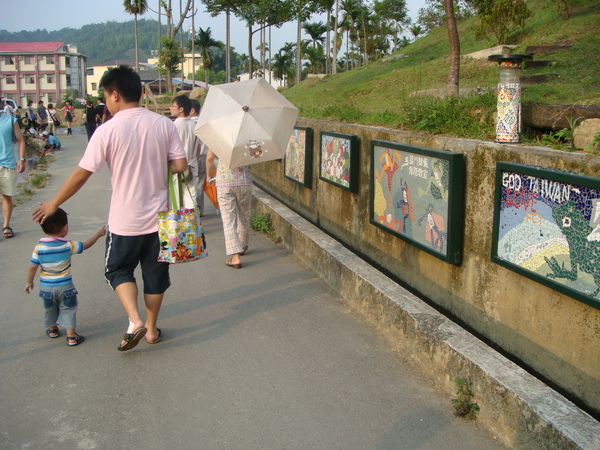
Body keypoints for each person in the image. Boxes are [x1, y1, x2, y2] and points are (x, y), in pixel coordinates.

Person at [32, 65, 187, 351]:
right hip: (160, 220)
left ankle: (135, 320)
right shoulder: (164, 124)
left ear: (115, 94)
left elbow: (82, 174)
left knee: (117, 271)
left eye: (105, 96)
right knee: (155, 277)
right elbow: (179, 166)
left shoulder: (107, 130)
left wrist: (54, 203)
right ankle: (152, 331)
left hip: (125, 221)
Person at [25, 208, 106, 346]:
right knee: (69, 309)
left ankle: (52, 330)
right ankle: (71, 337)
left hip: (47, 287)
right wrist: (98, 234)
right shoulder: (68, 245)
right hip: (65, 286)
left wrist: (29, 282)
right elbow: (86, 245)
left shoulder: (39, 247)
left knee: (50, 308)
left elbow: (33, 266)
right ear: (65, 227)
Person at [206, 150, 252, 269]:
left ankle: (235, 256)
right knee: (244, 214)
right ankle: (243, 245)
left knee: (228, 219)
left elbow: (210, 158)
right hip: (244, 181)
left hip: (224, 181)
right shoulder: (247, 136)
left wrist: (208, 175)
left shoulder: (219, 135)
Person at [169, 95, 201, 209]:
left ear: (181, 109)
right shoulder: (195, 125)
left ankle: (178, 224)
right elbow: (198, 148)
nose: (170, 108)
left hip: (177, 166)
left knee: (177, 198)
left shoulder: (173, 125)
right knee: (191, 196)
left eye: (173, 106)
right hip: (192, 164)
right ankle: (191, 223)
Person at [1, 108, 26, 238]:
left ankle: (6, 225)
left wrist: (21, 159)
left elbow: (20, 139)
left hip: (7, 164)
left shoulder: (10, 121)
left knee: (6, 196)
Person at [189, 99, 207, 214]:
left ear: (192, 110)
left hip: (194, 157)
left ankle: (193, 209)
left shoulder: (190, 124)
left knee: (191, 185)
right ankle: (200, 209)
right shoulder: (204, 123)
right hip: (204, 156)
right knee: (200, 183)